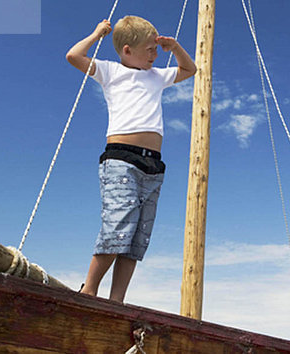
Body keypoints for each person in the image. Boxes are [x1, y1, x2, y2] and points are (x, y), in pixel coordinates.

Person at [66, 16, 196, 302]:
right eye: (150, 49)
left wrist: (174, 47)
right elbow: (74, 55)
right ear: (127, 50)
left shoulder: (156, 76)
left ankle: (117, 301)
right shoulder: (110, 71)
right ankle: (89, 290)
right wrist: (97, 33)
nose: (154, 53)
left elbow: (190, 69)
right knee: (118, 226)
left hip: (153, 165)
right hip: (121, 160)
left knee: (137, 237)